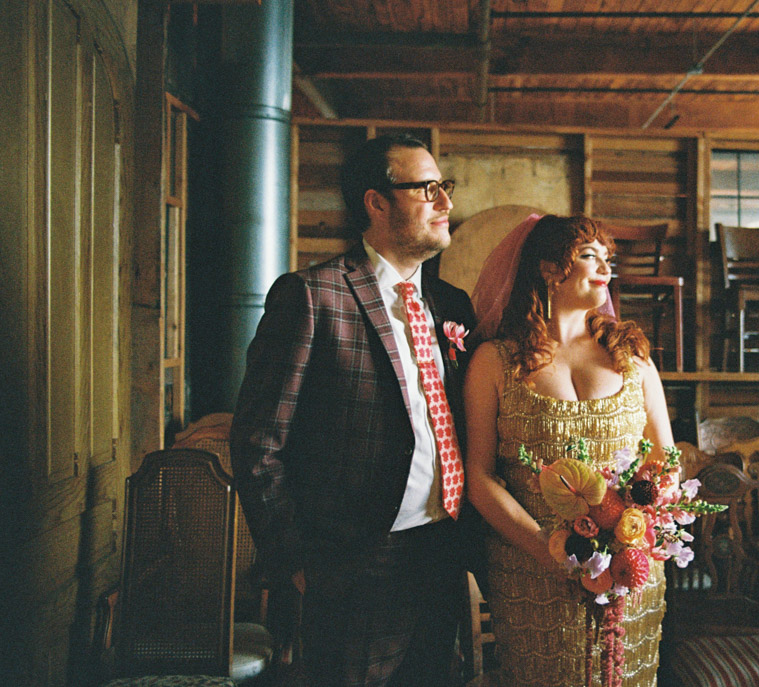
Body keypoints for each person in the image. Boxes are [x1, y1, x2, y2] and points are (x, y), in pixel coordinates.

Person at [230, 134, 476, 687]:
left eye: (445, 187)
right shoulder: (312, 296)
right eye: (427, 189)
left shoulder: (452, 304)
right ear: (376, 202)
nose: (445, 202)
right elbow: (258, 443)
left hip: (441, 552)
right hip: (352, 564)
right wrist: (297, 563)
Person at [463, 214, 675, 686]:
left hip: (628, 567)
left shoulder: (632, 357)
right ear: (547, 268)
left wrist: (635, 533)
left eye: (607, 257)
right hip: (530, 571)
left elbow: (664, 459)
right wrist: (547, 550)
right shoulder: (494, 361)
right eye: (588, 255)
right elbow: (478, 477)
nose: (605, 268)